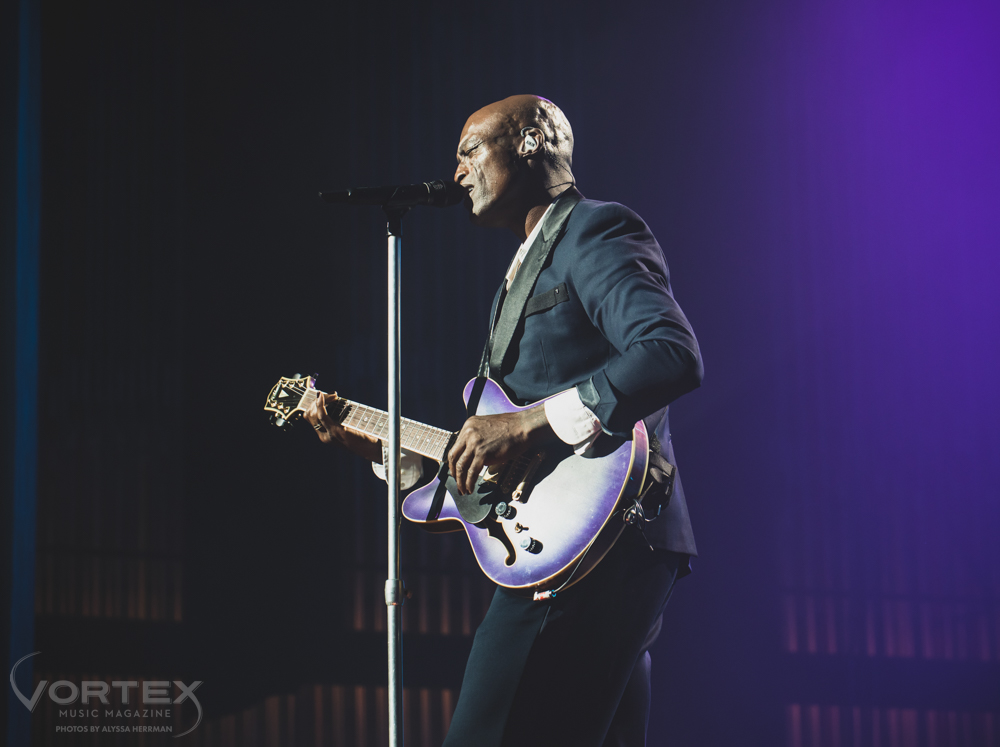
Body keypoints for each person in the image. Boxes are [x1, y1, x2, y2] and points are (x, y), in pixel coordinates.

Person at [305, 95, 702, 747]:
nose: (456, 170)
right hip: (580, 546)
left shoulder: (594, 230)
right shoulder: (518, 273)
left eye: (469, 149)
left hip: (596, 546)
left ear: (532, 140)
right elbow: (489, 455)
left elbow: (668, 353)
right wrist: (380, 448)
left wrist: (526, 426)